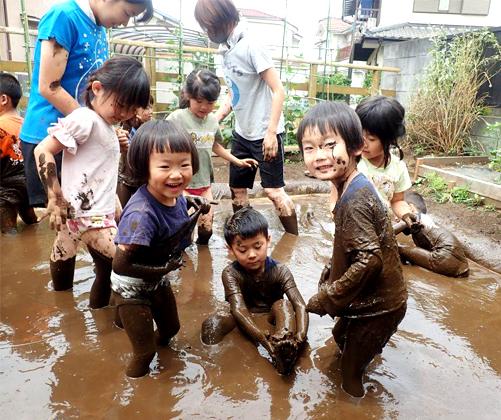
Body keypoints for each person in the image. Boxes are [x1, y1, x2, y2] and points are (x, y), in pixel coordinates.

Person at [19, 0, 153, 286]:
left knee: (70, 229)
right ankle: (103, 292)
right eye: (127, 13)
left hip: (87, 140)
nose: (125, 22)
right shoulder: (64, 17)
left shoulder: (98, 27)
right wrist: (97, 126)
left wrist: (104, 128)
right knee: (76, 223)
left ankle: (70, 299)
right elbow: (48, 86)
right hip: (53, 135)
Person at [298, 101, 407, 398]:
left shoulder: (355, 198)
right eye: (310, 148)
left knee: (350, 375)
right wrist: (331, 272)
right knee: (339, 335)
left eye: (329, 145)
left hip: (381, 308)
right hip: (372, 300)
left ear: (356, 146)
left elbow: (369, 261)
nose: (319, 156)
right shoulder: (350, 185)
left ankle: (353, 402)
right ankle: (367, 354)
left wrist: (327, 297)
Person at [33, 56, 151, 309]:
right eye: (120, 105)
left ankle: (65, 308)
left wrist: (117, 207)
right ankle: (118, 321)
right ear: (97, 89)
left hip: (84, 213)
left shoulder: (105, 125)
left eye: (131, 110)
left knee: (66, 254)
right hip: (89, 216)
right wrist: (54, 197)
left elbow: (99, 169)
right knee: (127, 264)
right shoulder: (85, 118)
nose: (124, 114)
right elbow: (43, 150)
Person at [111, 120, 211, 378]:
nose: (176, 174)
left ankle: (136, 331)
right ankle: (134, 393)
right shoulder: (141, 215)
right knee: (145, 354)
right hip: (130, 285)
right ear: (144, 169)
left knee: (170, 329)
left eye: (184, 165)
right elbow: (120, 265)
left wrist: (192, 199)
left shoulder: (173, 194)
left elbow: (175, 204)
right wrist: (164, 268)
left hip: (155, 277)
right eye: (165, 166)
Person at [194, 0, 299, 235]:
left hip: (265, 133)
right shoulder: (226, 51)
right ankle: (246, 238)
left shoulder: (252, 44)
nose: (207, 33)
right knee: (237, 190)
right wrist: (213, 120)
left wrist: (271, 134)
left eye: (208, 27)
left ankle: (294, 240)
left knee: (273, 192)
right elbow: (234, 94)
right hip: (242, 132)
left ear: (222, 22)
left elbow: (278, 90)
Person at [200, 207, 308, 375]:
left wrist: (300, 336)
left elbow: (299, 305)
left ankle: (284, 346)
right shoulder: (230, 273)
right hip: (243, 317)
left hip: (272, 315)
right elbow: (239, 310)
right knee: (210, 325)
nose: (251, 255)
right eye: (242, 250)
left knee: (284, 306)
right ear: (231, 249)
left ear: (268, 240)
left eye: (258, 246)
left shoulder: (280, 271)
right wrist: (260, 336)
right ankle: (214, 363)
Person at [166, 68, 257, 245]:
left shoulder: (212, 121)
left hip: (204, 184)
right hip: (182, 185)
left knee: (206, 229)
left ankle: (204, 261)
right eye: (199, 101)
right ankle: (185, 266)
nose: (204, 107)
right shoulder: (177, 118)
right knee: (186, 232)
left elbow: (215, 145)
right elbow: (160, 139)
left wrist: (237, 160)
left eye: (210, 102)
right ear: (188, 95)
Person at [330, 95, 411, 221]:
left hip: (382, 228)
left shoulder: (398, 168)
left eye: (371, 139)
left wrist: (406, 214)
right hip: (351, 224)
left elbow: (397, 201)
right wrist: (337, 216)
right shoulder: (349, 161)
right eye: (359, 135)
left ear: (390, 140)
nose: (363, 143)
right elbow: (335, 197)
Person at [395, 191, 469, 278]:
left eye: (397, 212)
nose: (396, 217)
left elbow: (388, 232)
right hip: (460, 266)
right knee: (408, 251)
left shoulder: (412, 217)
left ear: (410, 208)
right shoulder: (426, 220)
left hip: (443, 258)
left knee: (399, 247)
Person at [0, 73, 37, 234]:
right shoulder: (27, 124)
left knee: (9, 232)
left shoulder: (1, 126)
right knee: (31, 221)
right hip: (28, 184)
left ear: (3, 99)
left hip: (6, 190)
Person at [117, 95, 154, 208]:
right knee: (122, 211)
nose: (150, 112)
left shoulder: (151, 128)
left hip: (143, 179)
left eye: (151, 108)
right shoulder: (125, 126)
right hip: (125, 178)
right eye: (146, 108)